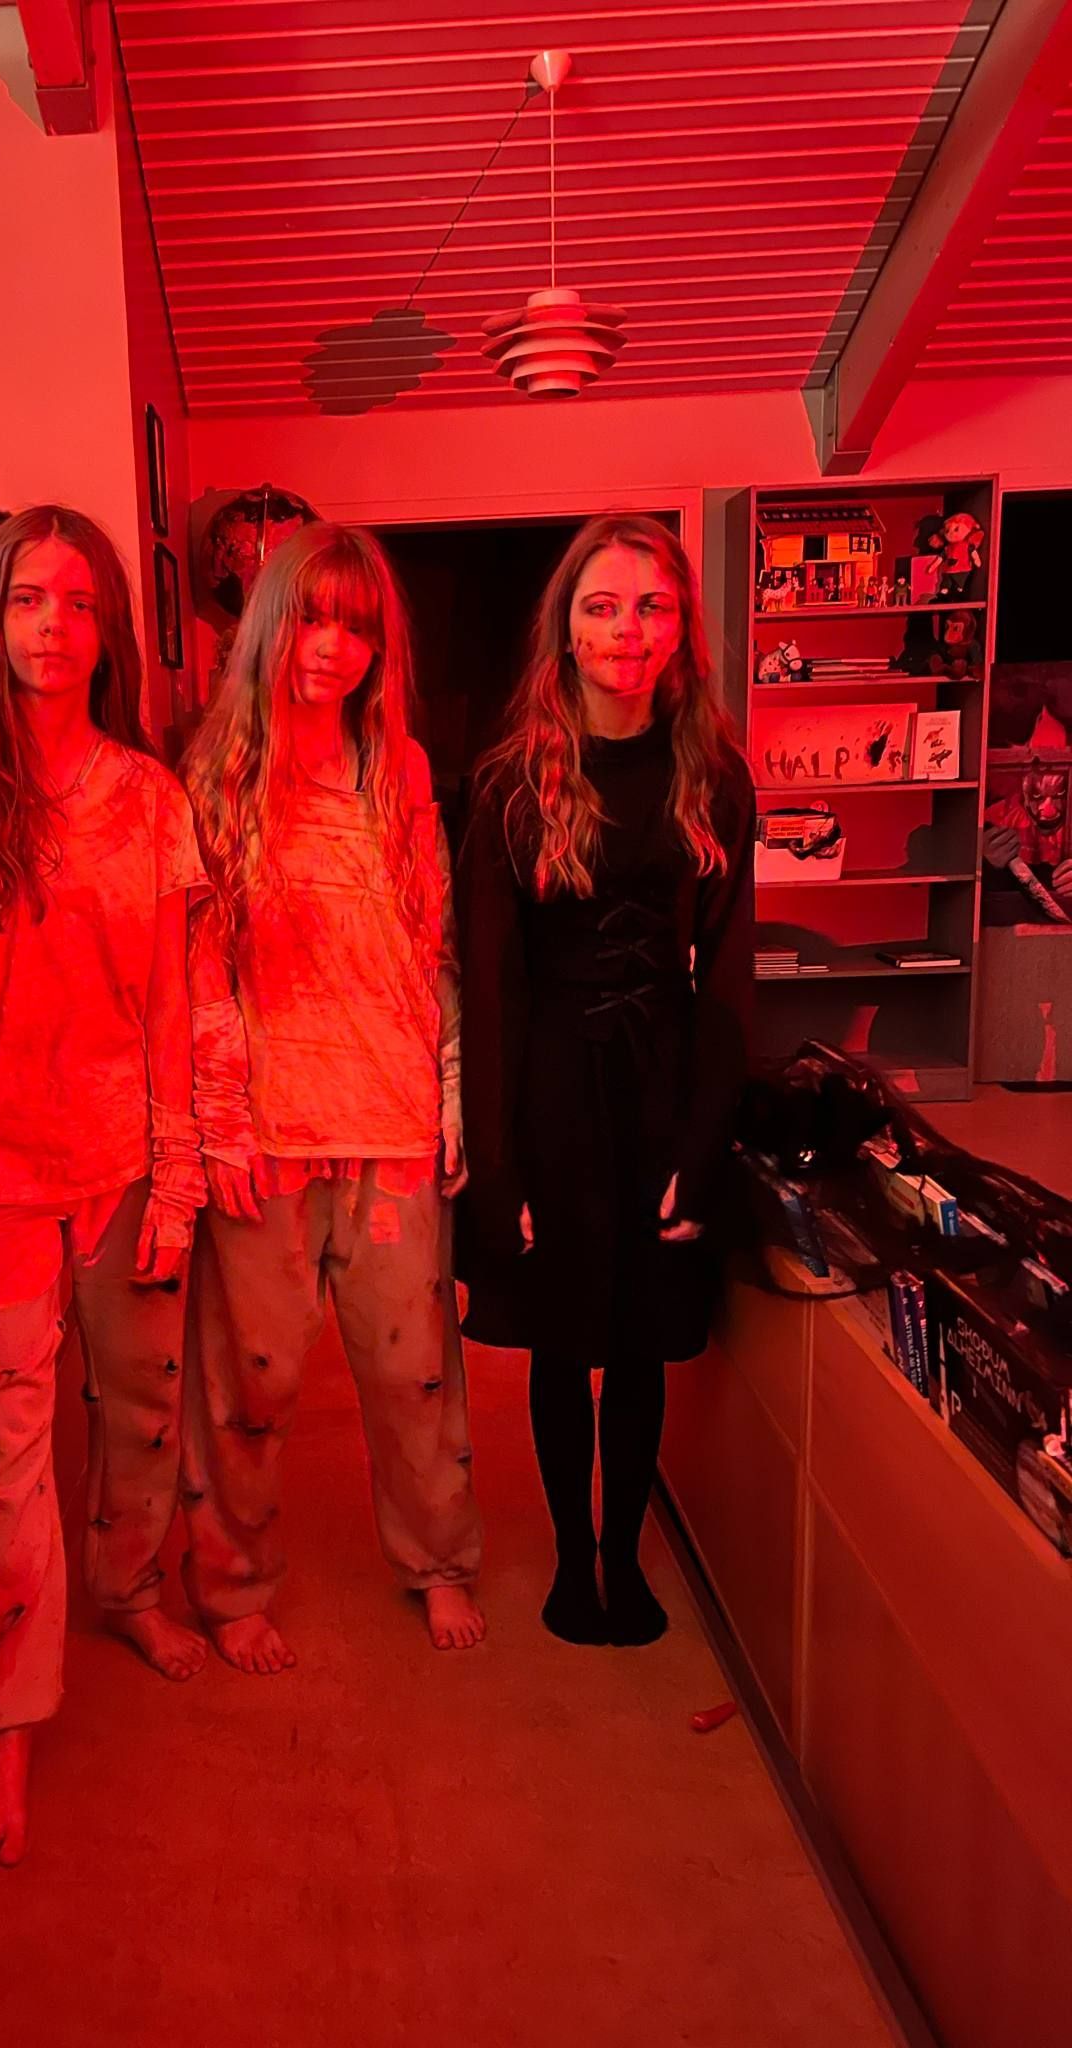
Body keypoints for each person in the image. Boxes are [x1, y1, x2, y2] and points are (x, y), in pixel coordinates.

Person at [0, 505, 209, 1866]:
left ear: (107, 626)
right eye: (26, 599)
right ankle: (11, 1720)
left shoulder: (152, 798)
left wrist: (178, 1171)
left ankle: (131, 1590)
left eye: (77, 601)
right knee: (7, 1457)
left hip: (124, 1160)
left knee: (142, 1412)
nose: (53, 626)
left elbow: (173, 1001)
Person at [180, 521, 485, 1675]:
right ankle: (233, 1580)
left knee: (414, 1374)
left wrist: (449, 1093)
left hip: (390, 1120)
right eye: (312, 617)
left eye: (356, 627)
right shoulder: (216, 772)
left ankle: (439, 1556)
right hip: (267, 1129)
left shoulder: (400, 770)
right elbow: (197, 968)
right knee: (250, 1385)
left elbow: (433, 947)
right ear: (271, 622)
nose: (331, 646)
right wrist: (218, 1124)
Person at [458, 514, 754, 1648]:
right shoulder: (509, 782)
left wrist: (703, 1139)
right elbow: (492, 987)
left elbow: (728, 975)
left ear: (679, 629)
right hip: (550, 1089)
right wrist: (498, 1166)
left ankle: (623, 1557)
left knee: (638, 1345)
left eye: (650, 606)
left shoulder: (714, 776)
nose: (627, 630)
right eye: (602, 607)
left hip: (662, 1084)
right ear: (566, 630)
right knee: (560, 1341)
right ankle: (570, 1560)